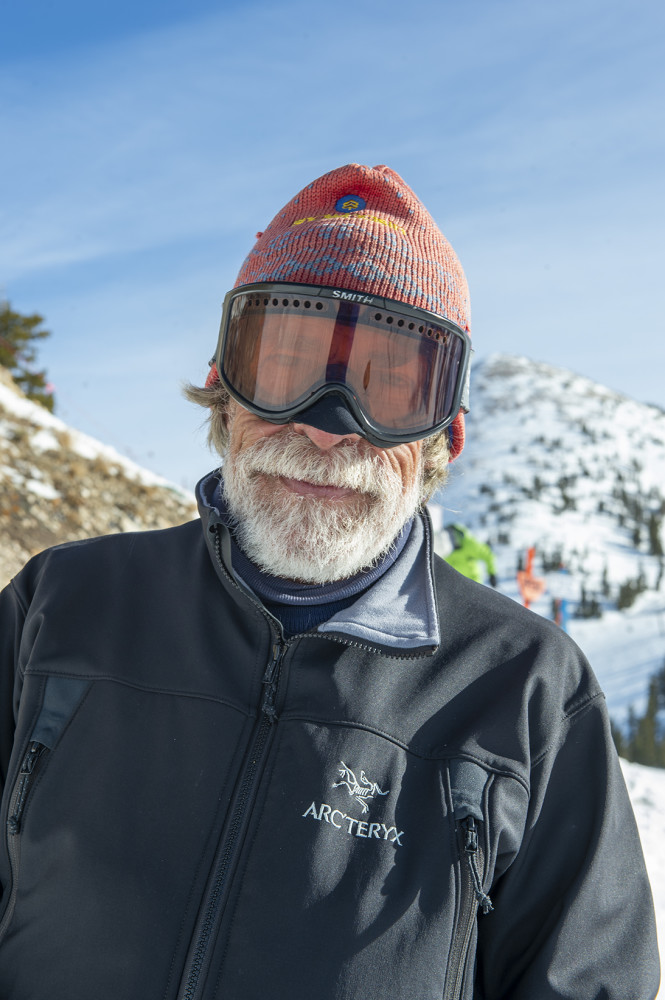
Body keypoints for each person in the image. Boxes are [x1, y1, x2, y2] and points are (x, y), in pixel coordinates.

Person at [0, 164, 658, 1000]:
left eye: (387, 385)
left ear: (439, 436)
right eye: (286, 367)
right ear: (225, 391)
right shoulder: (61, 610)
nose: (325, 426)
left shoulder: (522, 693)